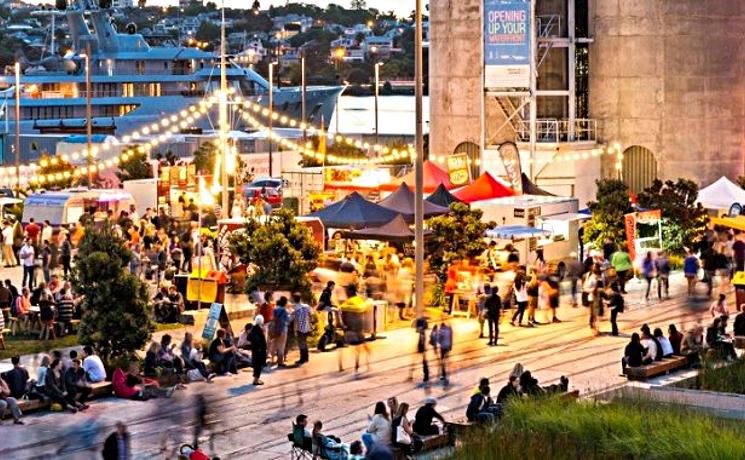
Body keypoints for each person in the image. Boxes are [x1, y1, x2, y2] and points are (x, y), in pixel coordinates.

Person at [269, 296, 290, 367]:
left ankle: (272, 360)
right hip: (282, 330)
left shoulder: (275, 309)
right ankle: (280, 362)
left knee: (274, 344)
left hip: (275, 330)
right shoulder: (285, 310)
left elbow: (272, 318)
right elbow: (288, 320)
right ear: (285, 303)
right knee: (281, 346)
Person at [292, 293, 312, 365]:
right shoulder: (306, 306)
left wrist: (294, 330)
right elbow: (310, 315)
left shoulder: (295, 308)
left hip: (300, 328)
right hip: (306, 327)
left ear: (294, 299)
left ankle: (302, 358)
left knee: (301, 343)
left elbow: (295, 320)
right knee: (304, 342)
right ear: (300, 298)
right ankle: (306, 357)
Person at [249, 315, 268, 385]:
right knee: (258, 365)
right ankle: (256, 380)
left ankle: (256, 379)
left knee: (256, 364)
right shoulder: (260, 329)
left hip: (254, 349)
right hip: (259, 350)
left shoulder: (253, 328)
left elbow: (249, 338)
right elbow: (262, 340)